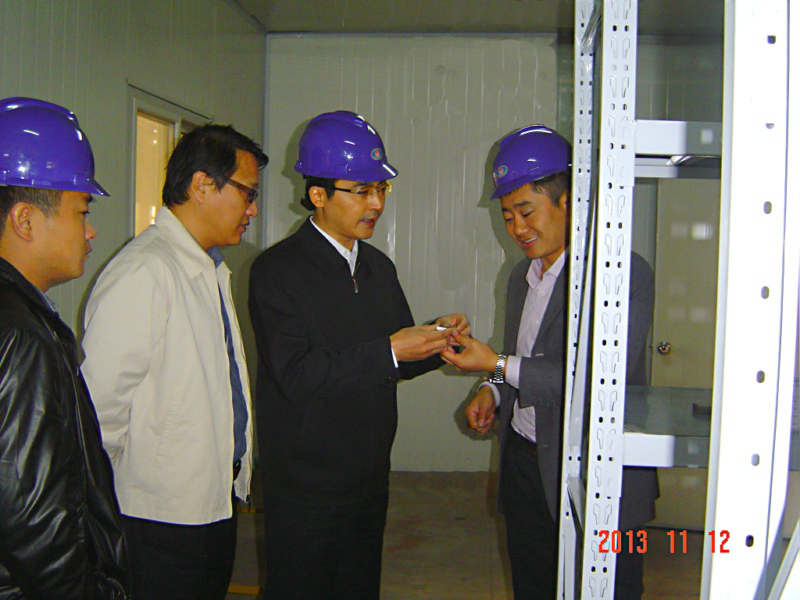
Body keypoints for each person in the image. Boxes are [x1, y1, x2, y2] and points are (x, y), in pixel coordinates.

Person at [249, 110, 468, 599]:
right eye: (362, 190)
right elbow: (295, 374)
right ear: (318, 195)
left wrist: (438, 341)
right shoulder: (277, 272)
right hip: (306, 486)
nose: (376, 204)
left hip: (369, 478)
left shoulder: (377, 269)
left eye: (381, 189)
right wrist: (390, 350)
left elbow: (395, 360)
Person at [441, 126, 658, 599]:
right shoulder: (522, 274)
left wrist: (495, 363)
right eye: (507, 216)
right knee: (535, 583)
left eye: (527, 212)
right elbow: (520, 355)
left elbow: (600, 382)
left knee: (608, 588)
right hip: (526, 461)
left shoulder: (621, 274)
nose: (517, 229)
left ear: (569, 202)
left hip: (596, 468)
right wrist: (492, 388)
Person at [81, 124, 268, 600]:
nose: (253, 209)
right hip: (157, 520)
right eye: (247, 193)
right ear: (202, 185)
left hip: (211, 503)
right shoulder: (145, 270)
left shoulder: (207, 266)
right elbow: (98, 415)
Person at [0, 97, 129, 598]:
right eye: (82, 212)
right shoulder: (22, 337)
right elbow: (33, 521)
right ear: (25, 220)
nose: (91, 231)